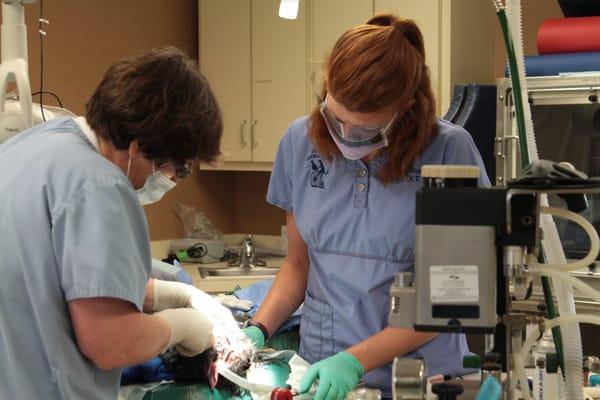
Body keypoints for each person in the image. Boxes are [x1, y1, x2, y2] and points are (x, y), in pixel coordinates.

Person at [242, 13, 490, 400]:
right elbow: (297, 266)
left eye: (366, 130)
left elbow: (449, 302)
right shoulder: (299, 141)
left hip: (419, 382)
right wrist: (256, 331)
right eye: (336, 118)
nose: (345, 137)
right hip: (319, 376)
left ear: (406, 106)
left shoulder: (449, 152)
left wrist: (354, 361)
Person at [0, 46, 223, 399]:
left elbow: (50, 278)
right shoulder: (102, 185)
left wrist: (170, 294)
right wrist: (184, 326)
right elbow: (110, 343)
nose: (169, 178)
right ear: (137, 148)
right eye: (173, 167)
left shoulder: (33, 147)